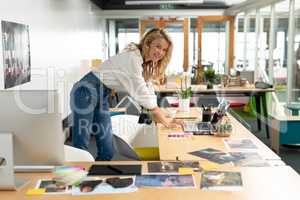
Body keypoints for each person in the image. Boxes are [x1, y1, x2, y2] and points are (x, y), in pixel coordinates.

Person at [70, 28, 184, 161]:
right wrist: (166, 121)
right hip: (86, 90)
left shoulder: (143, 62)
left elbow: (148, 89)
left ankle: (97, 178)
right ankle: (76, 178)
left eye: (164, 50)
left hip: (103, 93)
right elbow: (142, 93)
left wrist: (165, 116)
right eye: (158, 46)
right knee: (81, 144)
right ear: (148, 44)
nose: (160, 52)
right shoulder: (132, 59)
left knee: (107, 150)